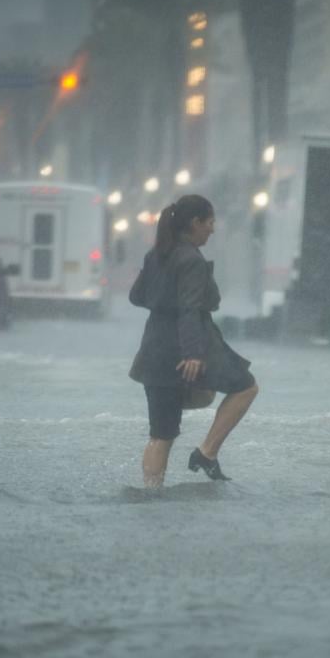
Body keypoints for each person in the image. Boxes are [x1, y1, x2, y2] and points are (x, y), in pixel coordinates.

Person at [128, 194, 259, 487]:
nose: (212, 229)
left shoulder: (156, 254)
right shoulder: (191, 260)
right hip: (190, 346)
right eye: (210, 222)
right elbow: (189, 309)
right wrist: (193, 354)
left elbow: (136, 297)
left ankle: (151, 494)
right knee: (246, 387)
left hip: (154, 349)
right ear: (195, 223)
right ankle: (206, 453)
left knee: (161, 434)